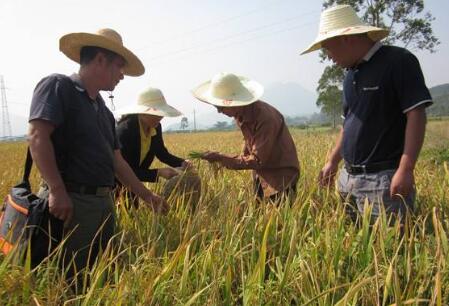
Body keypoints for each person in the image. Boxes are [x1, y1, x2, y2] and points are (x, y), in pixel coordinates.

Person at [28, 28, 168, 281]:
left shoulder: (103, 111)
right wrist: (57, 191)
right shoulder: (59, 86)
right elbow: (37, 136)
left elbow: (117, 162)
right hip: (72, 202)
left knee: (104, 272)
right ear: (101, 59)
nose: (122, 76)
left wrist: (147, 196)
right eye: (119, 66)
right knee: (71, 277)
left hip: (103, 203)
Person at [301, 5, 433, 223]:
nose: (328, 56)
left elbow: (416, 114)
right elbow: (348, 124)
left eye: (328, 48)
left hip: (382, 180)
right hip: (348, 178)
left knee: (388, 251)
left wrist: (406, 168)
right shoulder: (349, 76)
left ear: (346, 38)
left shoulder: (398, 61)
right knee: (356, 244)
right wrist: (333, 162)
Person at [192, 72, 300, 203]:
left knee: (277, 220)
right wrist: (240, 156)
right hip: (261, 175)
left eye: (221, 107)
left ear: (235, 103)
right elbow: (248, 141)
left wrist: (221, 158)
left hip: (280, 177)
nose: (219, 111)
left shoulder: (265, 119)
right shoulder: (240, 114)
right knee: (260, 216)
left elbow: (257, 160)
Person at [115, 87, 192, 208]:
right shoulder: (125, 131)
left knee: (132, 214)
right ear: (143, 112)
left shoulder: (156, 127)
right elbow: (123, 170)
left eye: (161, 113)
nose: (160, 117)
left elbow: (161, 153)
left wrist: (182, 162)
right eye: (156, 113)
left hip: (134, 186)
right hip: (115, 187)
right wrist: (158, 173)